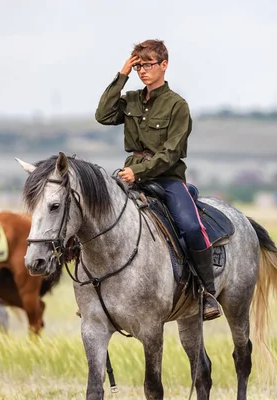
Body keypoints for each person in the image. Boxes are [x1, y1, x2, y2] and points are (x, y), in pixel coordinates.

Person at [95, 39, 223, 321]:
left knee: (190, 226)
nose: (143, 71)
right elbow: (102, 115)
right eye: (139, 66)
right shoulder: (130, 100)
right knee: (98, 216)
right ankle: (96, 292)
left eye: (148, 65)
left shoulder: (178, 105)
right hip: (130, 176)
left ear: (164, 65)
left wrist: (138, 172)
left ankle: (207, 292)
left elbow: (171, 153)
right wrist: (122, 73)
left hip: (166, 177)